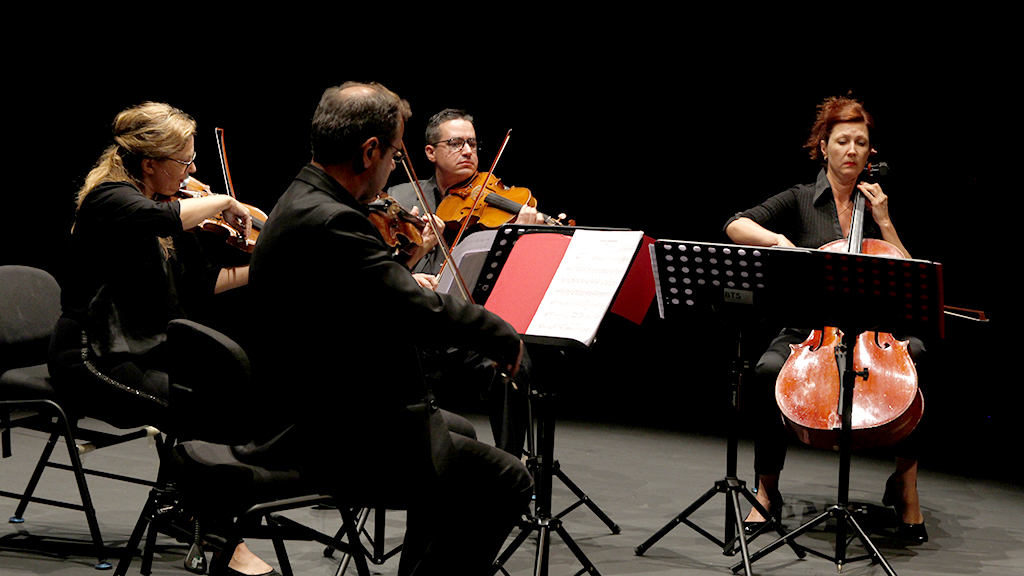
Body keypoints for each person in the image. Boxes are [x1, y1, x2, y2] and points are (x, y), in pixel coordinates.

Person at [243, 82, 534, 575]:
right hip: (326, 427)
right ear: (369, 150)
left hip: (309, 400)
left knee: (455, 429)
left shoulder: (303, 197)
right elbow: (414, 306)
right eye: (396, 154)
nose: (395, 167)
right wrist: (501, 333)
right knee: (509, 478)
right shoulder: (332, 219)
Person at [47, 102, 279, 575]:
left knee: (236, 393)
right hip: (92, 355)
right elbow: (168, 219)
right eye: (185, 163)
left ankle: (194, 511)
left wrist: (261, 266)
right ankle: (211, 528)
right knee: (196, 409)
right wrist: (225, 202)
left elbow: (200, 285)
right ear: (150, 163)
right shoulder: (109, 200)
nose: (193, 172)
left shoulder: (162, 207)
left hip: (142, 345)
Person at [724, 95, 928, 543]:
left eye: (861, 142)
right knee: (765, 371)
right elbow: (736, 225)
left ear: (870, 152)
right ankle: (767, 489)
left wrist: (886, 222)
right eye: (843, 141)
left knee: (917, 355)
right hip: (809, 328)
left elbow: (911, 276)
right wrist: (781, 241)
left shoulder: (877, 205)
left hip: (873, 331)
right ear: (824, 146)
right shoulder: (799, 200)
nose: (852, 150)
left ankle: (906, 486)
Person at [387, 109, 543, 458]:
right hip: (414, 323)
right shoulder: (400, 197)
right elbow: (376, 264)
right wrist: (409, 277)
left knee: (515, 360)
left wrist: (524, 234)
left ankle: (510, 461)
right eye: (456, 143)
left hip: (461, 323)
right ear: (430, 153)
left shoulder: (499, 205)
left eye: (472, 143)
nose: (468, 151)